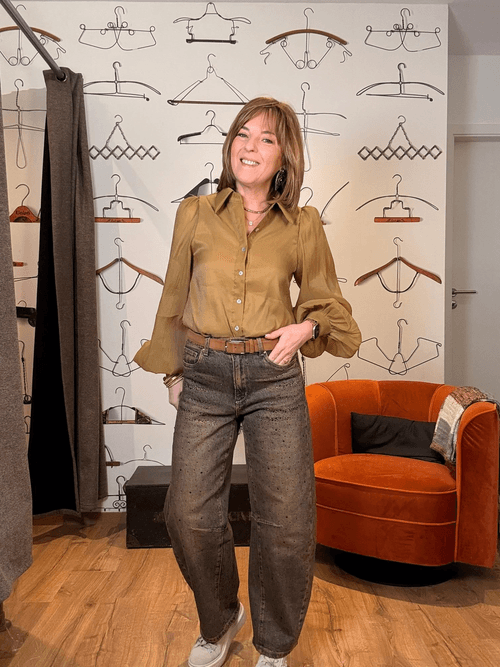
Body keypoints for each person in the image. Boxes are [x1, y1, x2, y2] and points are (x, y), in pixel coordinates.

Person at [134, 97, 361, 667]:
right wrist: (175, 372)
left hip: (273, 378)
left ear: (284, 157)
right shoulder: (196, 213)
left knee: (285, 521)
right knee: (187, 514)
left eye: (266, 138)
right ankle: (221, 620)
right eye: (243, 133)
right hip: (205, 375)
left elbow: (328, 304)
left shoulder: (303, 225)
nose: (249, 145)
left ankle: (275, 646)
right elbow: (173, 296)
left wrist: (307, 327)